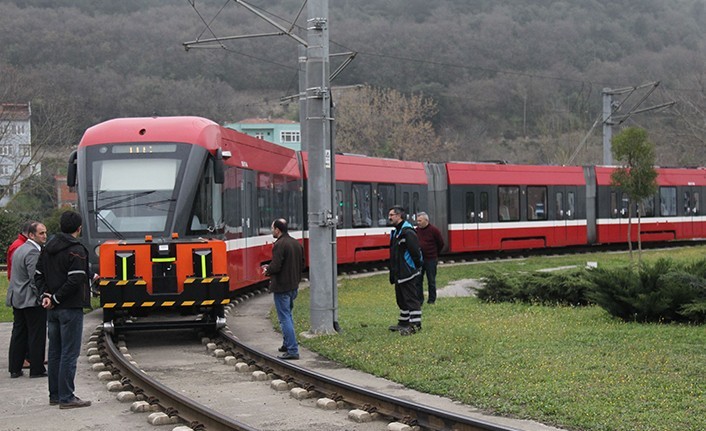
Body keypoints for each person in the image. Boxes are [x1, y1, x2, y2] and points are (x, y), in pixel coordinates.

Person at [35, 210, 92, 409]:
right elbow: (76, 278)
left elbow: (38, 275)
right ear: (79, 228)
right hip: (70, 307)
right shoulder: (76, 249)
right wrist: (58, 298)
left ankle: (55, 395)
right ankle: (67, 397)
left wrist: (46, 296)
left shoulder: (47, 248)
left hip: (52, 309)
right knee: (69, 352)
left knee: (55, 352)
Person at [6, 221, 48, 378]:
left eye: (45, 232)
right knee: (36, 333)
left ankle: (15, 368)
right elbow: (34, 278)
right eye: (41, 233)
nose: (45, 236)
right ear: (31, 235)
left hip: (17, 297)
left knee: (19, 333)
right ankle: (37, 368)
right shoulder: (32, 252)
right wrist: (42, 296)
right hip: (29, 299)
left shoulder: (19, 248)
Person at [262, 218, 304, 360]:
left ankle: (292, 350)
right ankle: (287, 344)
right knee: (288, 315)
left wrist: (267, 270)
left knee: (284, 318)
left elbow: (276, 265)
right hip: (293, 286)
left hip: (282, 287)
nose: (272, 231)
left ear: (278, 230)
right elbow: (301, 264)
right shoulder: (296, 243)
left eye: (272, 228)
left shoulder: (280, 245)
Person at [387, 205, 423, 336]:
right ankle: (403, 323)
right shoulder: (397, 232)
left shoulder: (408, 232)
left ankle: (415, 325)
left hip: (407, 272)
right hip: (399, 273)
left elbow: (415, 252)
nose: (389, 217)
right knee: (401, 299)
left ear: (399, 216)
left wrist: (416, 268)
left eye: (392, 215)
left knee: (411, 299)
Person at [415, 212, 444, 305]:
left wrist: (435, 254)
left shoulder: (434, 230)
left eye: (420, 220)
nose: (418, 222)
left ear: (426, 220)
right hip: (420, 259)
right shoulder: (416, 230)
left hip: (431, 259)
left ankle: (431, 300)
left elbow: (441, 243)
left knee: (431, 280)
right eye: (417, 220)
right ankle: (419, 300)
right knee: (418, 280)